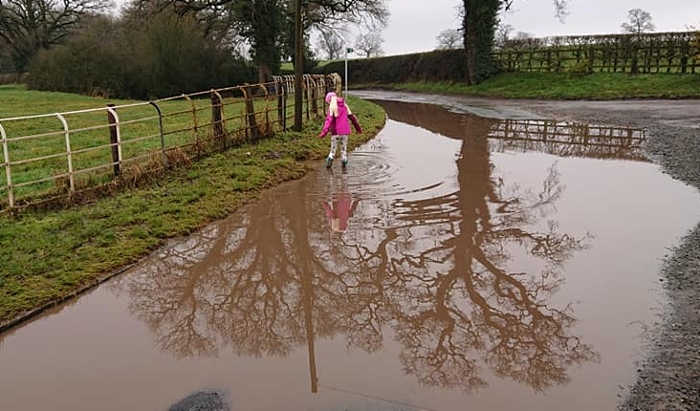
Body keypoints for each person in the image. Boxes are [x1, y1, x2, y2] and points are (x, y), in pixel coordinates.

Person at [318, 91, 362, 168]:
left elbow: (328, 121)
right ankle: (344, 164)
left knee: (333, 150)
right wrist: (358, 128)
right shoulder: (345, 106)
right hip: (345, 133)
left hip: (335, 133)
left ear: (329, 100)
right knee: (343, 150)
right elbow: (352, 118)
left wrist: (324, 132)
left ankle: (329, 163)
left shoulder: (332, 107)